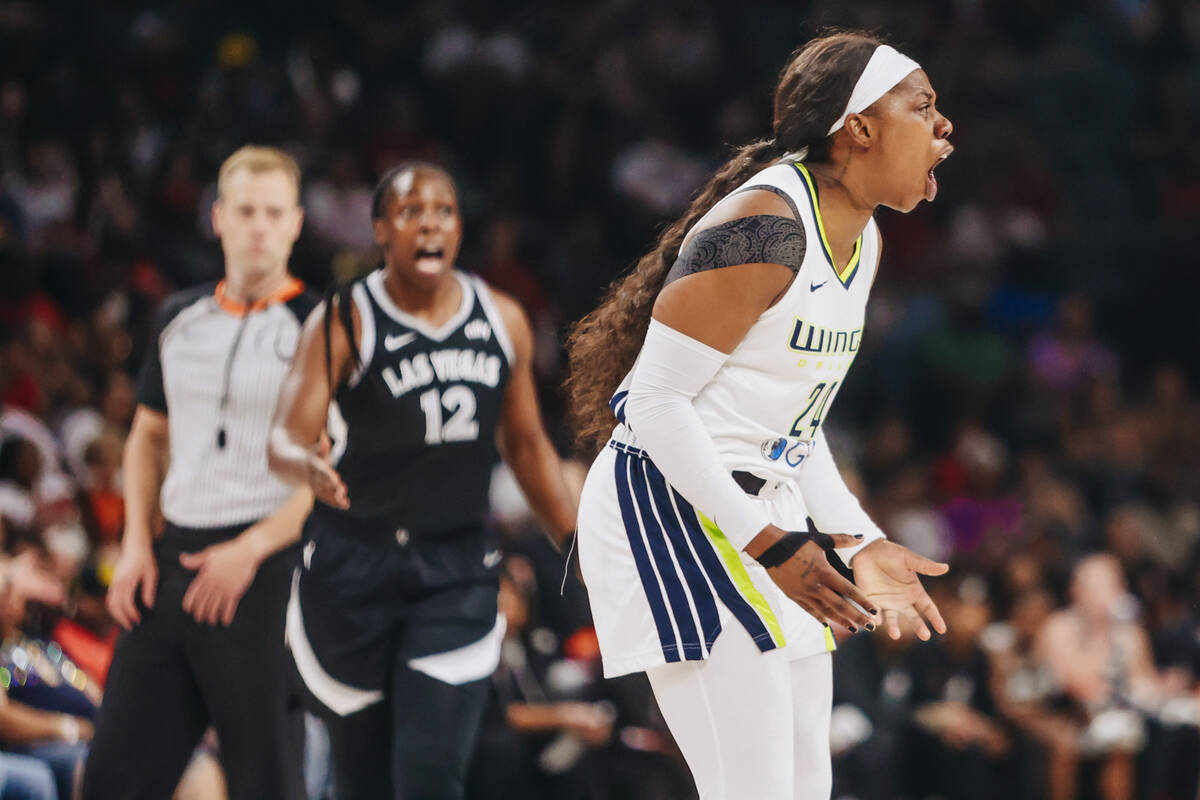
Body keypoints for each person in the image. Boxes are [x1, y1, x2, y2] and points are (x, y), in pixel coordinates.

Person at [565, 31, 954, 799]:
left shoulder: (863, 239)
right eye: (924, 106)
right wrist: (775, 545)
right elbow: (652, 404)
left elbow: (795, 429)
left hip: (757, 508)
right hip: (669, 501)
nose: (945, 128)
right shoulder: (766, 227)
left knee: (806, 787)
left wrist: (858, 537)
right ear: (860, 128)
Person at [267, 162, 578, 799]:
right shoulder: (345, 317)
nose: (430, 222)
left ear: (459, 228)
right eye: (411, 212)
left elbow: (525, 446)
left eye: (444, 210)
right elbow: (284, 436)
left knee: (430, 775)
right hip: (354, 568)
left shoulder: (502, 318)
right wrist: (304, 463)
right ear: (381, 229)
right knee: (364, 780)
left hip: (455, 568)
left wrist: (580, 545)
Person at [81, 146, 317, 800]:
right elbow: (146, 436)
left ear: (296, 223)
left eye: (274, 213)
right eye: (246, 211)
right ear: (217, 217)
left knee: (267, 781)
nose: (259, 227)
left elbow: (337, 466)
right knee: (112, 777)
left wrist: (251, 549)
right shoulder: (177, 317)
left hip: (265, 566)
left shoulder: (323, 325)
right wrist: (133, 545)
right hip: (171, 555)